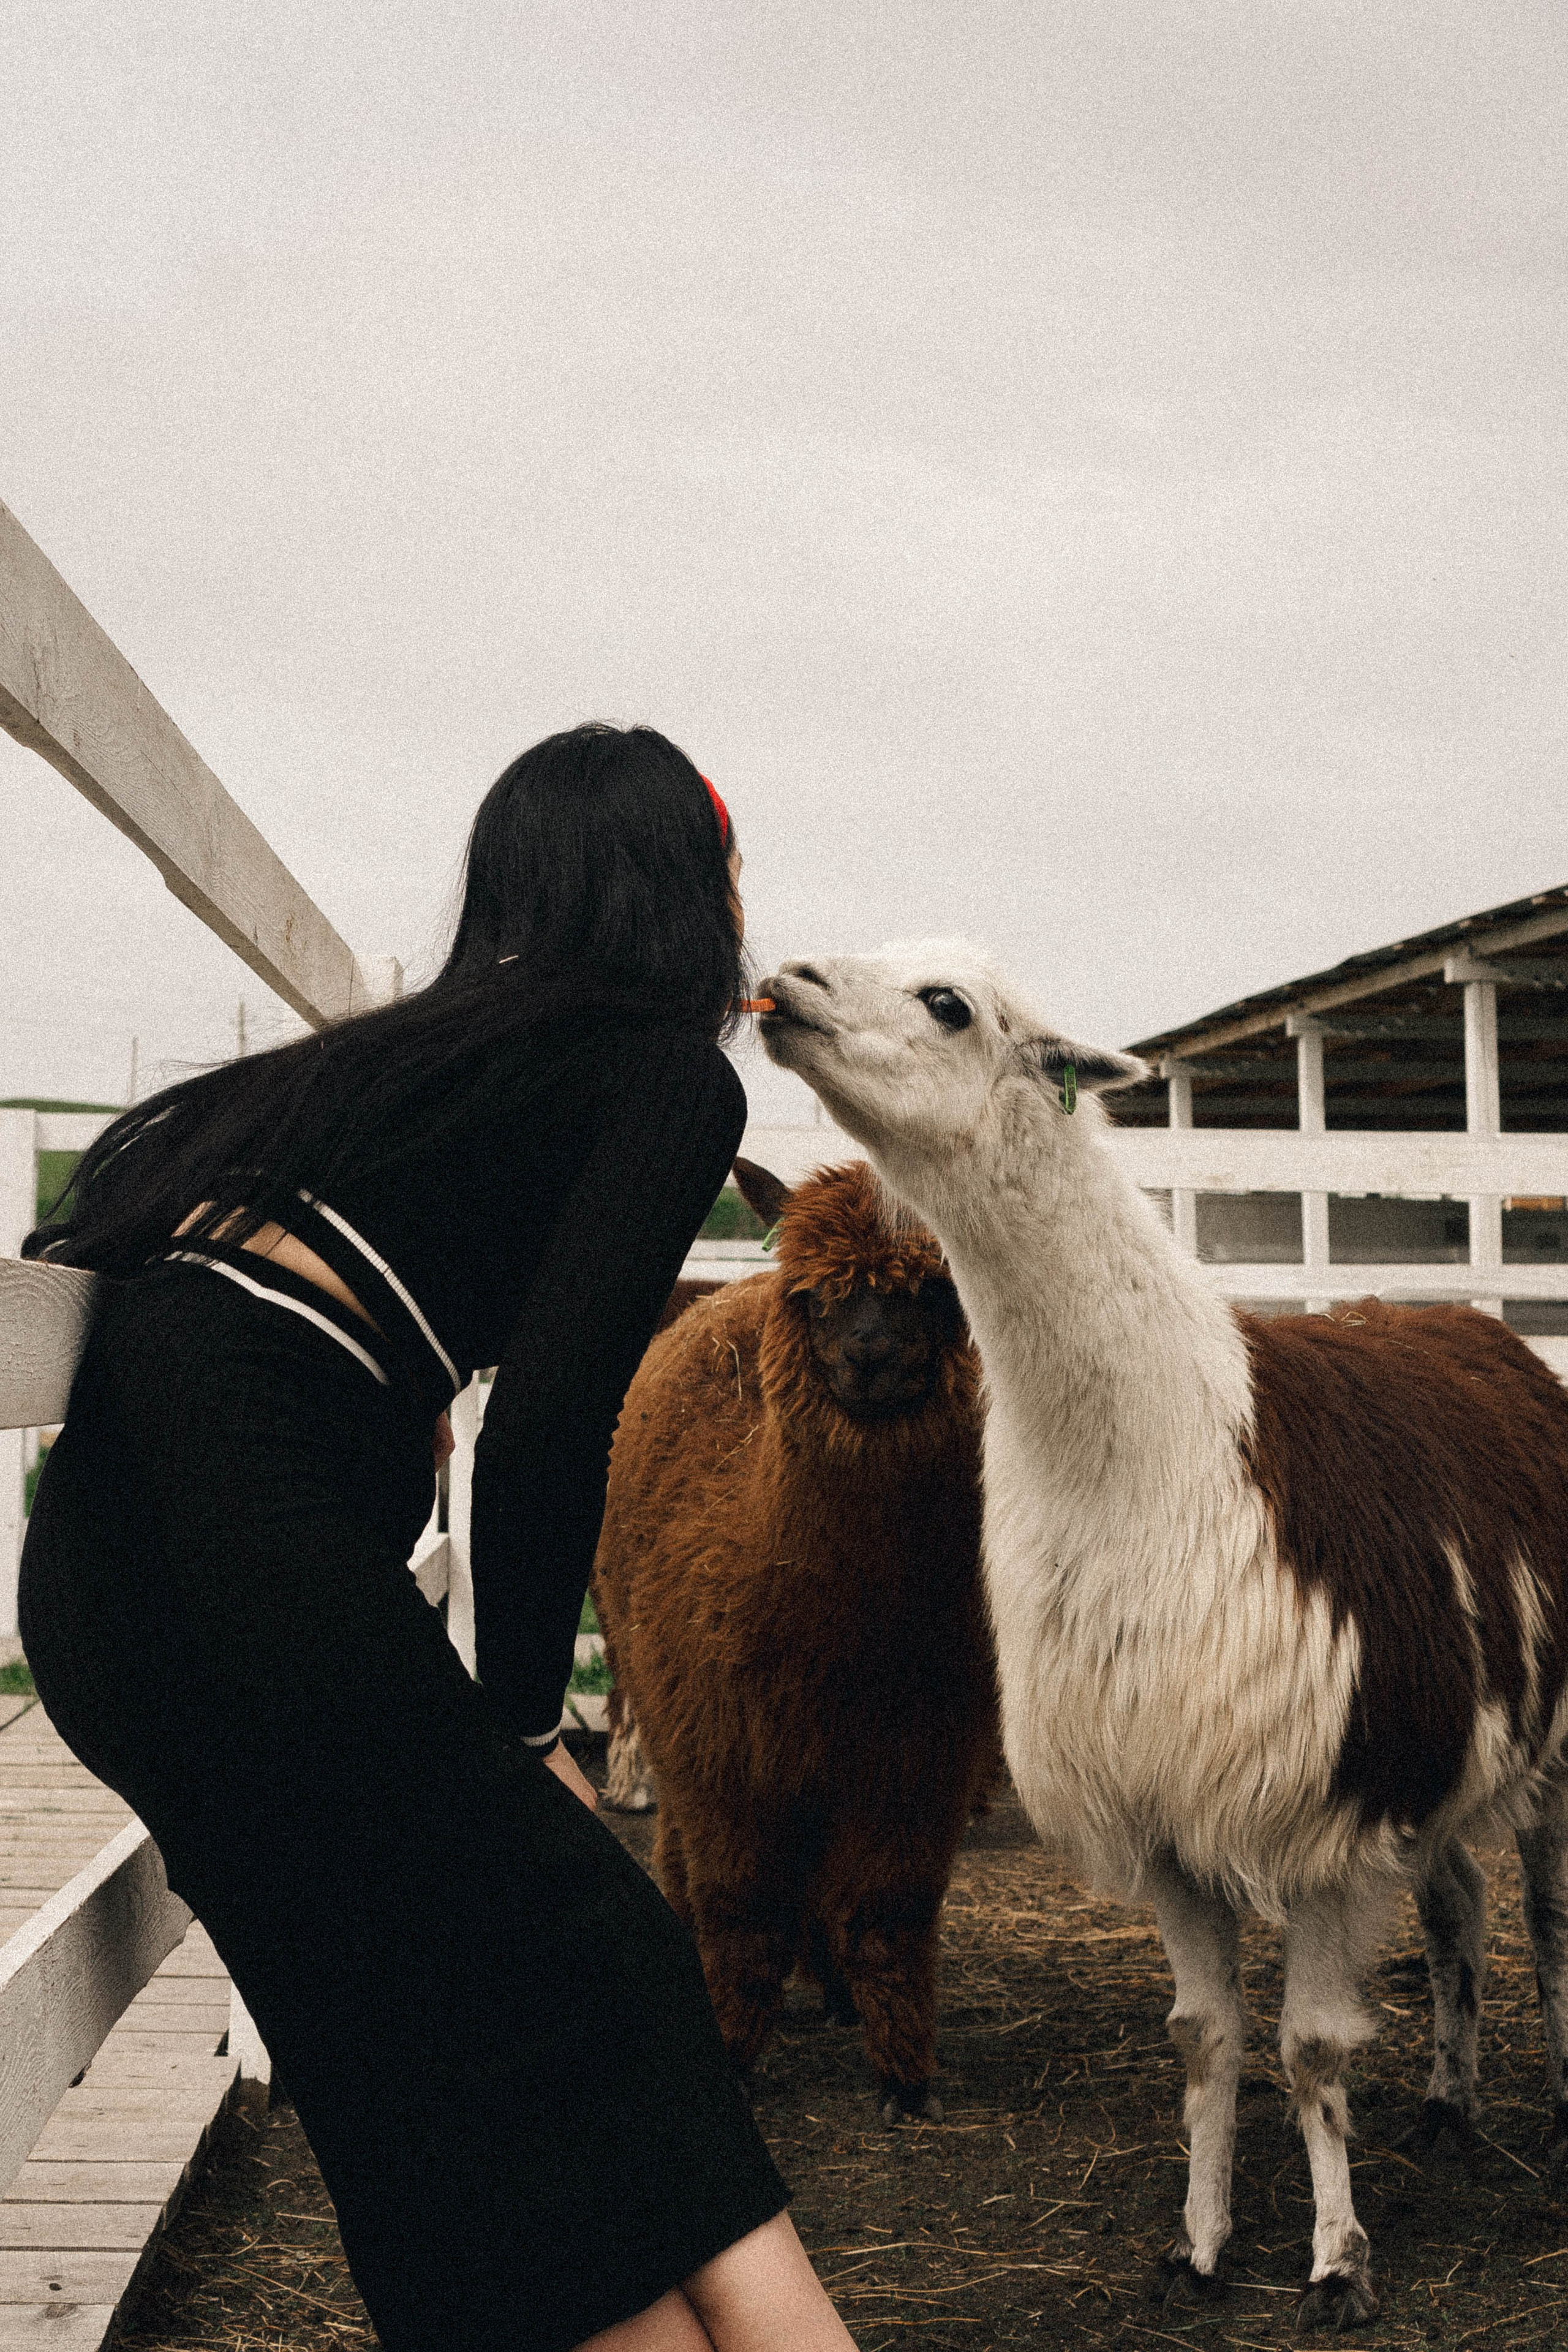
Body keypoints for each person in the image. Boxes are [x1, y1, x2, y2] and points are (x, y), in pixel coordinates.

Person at [20, 725, 856, 2352]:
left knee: (382, 2032)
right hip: (257, 1544)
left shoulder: (384, 1070)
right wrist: (533, 1719)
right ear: (684, 890)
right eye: (730, 861)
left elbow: (106, 1220)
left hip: (95, 1591)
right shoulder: (667, 1078)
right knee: (599, 1954)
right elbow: (548, 1425)